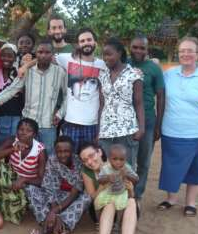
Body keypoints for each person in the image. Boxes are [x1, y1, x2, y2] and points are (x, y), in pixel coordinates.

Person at [157, 36, 198, 217]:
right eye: (182, 51)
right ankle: (171, 199)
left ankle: (191, 203)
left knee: (195, 168)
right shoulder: (169, 74)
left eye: (190, 51)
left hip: (196, 134)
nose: (186, 54)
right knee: (170, 167)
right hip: (171, 132)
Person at [0, 39, 68, 154]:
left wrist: (60, 113)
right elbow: (12, 89)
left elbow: (68, 96)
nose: (43, 55)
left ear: (52, 55)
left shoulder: (60, 72)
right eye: (40, 52)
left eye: (47, 53)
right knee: (25, 155)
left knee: (47, 157)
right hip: (27, 126)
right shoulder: (28, 71)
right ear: (35, 54)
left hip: (49, 125)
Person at [80, 143, 137, 234]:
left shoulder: (120, 164)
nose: (89, 161)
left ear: (99, 152)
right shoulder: (88, 172)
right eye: (85, 160)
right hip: (101, 208)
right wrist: (104, 184)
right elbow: (93, 197)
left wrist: (131, 189)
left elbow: (131, 193)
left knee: (132, 201)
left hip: (122, 207)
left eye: (91, 155)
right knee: (110, 204)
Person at [29, 136, 91, 234]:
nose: (62, 154)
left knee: (87, 197)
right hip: (55, 196)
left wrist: (55, 210)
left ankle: (52, 227)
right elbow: (49, 186)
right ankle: (53, 223)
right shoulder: (52, 160)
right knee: (31, 189)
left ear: (72, 151)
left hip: (71, 198)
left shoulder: (79, 163)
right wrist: (54, 209)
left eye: (66, 151)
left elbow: (75, 191)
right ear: (55, 151)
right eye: (59, 151)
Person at [56, 28, 107, 153]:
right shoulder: (67, 59)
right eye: (82, 41)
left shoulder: (103, 65)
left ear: (95, 42)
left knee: (90, 162)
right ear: (78, 44)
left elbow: (120, 65)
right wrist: (25, 66)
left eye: (89, 40)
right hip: (70, 123)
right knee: (71, 162)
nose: (86, 43)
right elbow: (44, 56)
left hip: (92, 125)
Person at [98, 37, 145, 171]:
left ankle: (129, 193)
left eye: (109, 54)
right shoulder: (103, 75)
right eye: (103, 55)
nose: (105, 58)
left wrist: (141, 128)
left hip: (127, 130)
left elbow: (139, 103)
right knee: (107, 169)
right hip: (106, 130)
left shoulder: (134, 74)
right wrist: (98, 130)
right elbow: (102, 104)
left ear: (119, 53)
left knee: (127, 169)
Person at [129, 35, 165, 200]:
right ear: (130, 47)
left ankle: (137, 196)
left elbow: (161, 97)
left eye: (142, 48)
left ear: (147, 50)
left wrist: (158, 125)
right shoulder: (124, 64)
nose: (138, 50)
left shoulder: (154, 68)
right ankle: (126, 194)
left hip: (149, 121)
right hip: (126, 121)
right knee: (126, 161)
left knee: (143, 162)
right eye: (135, 47)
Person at [0, 118, 46, 220]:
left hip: (27, 185)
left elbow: (42, 180)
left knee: (14, 211)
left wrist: (24, 180)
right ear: (17, 131)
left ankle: (13, 203)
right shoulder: (12, 140)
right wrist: (13, 149)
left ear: (34, 135)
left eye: (28, 131)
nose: (23, 133)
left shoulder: (40, 150)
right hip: (9, 180)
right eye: (21, 129)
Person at [0, 43, 24, 145]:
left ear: (15, 58)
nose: (6, 58)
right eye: (3, 55)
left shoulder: (19, 73)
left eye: (10, 56)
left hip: (14, 115)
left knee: (11, 143)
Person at [94, 144, 138, 212]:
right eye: (114, 159)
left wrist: (127, 175)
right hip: (108, 192)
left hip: (122, 193)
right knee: (97, 203)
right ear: (109, 159)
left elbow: (136, 179)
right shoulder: (106, 168)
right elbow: (99, 180)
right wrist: (107, 178)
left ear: (125, 159)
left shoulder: (127, 168)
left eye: (121, 159)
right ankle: (98, 220)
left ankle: (118, 221)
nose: (118, 162)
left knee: (122, 208)